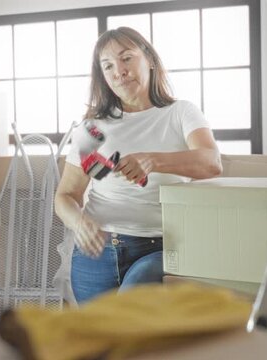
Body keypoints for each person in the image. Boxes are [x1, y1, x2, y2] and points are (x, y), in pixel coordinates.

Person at [54, 27, 222, 304]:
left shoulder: (180, 113)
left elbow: (212, 162)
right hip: (97, 253)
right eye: (107, 66)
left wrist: (153, 160)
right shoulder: (93, 128)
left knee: (130, 329)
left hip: (160, 247)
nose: (118, 71)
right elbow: (66, 196)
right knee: (100, 340)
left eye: (126, 58)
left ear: (150, 60)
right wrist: (79, 222)